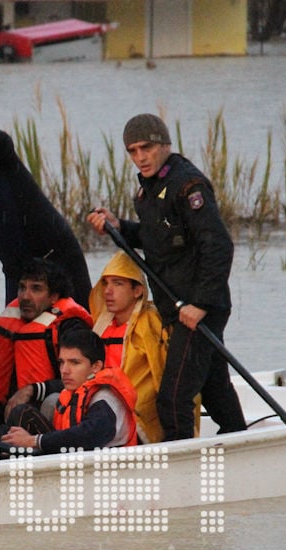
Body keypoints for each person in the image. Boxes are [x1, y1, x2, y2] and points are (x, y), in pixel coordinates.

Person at [87, 113, 246, 440]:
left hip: (199, 309)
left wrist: (200, 304)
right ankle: (240, 441)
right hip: (178, 309)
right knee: (214, 387)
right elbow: (155, 239)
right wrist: (120, 228)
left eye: (146, 148)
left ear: (165, 145)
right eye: (132, 151)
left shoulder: (188, 186)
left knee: (173, 397)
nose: (140, 157)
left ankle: (181, 470)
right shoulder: (147, 192)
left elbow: (219, 246)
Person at [0, 126, 91, 306]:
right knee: (12, 331)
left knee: (77, 327)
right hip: (16, 270)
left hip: (57, 258)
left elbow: (1, 140)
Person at [0, 256, 92, 437]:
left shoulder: (70, 327)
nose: (25, 296)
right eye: (22, 287)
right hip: (9, 410)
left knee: (12, 422)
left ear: (54, 296)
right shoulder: (10, 325)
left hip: (48, 413)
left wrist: (33, 390)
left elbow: (86, 378)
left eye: (36, 289)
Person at [1, 328, 138, 453]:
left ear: (96, 367)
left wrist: (33, 441)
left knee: (19, 421)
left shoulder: (105, 399)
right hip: (75, 461)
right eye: (62, 362)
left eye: (74, 363)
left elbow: (89, 436)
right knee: (15, 420)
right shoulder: (74, 391)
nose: (64, 371)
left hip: (102, 472)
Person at [89, 250, 169, 444]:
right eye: (106, 283)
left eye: (118, 284)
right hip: (100, 409)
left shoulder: (148, 323)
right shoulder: (101, 325)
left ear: (137, 290)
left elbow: (163, 375)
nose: (108, 291)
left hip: (135, 416)